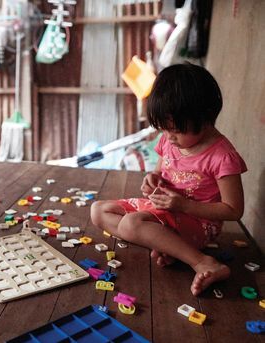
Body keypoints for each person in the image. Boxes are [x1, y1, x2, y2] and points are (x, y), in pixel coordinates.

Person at [91, 63, 247, 296]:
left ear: (203, 118)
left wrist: (185, 205)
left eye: (175, 130)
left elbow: (234, 211)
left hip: (199, 223)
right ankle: (168, 245)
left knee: (131, 224)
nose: (169, 137)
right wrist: (152, 179)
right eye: (164, 129)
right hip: (165, 211)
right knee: (97, 211)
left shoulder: (223, 156)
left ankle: (202, 261)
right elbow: (161, 173)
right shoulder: (169, 140)